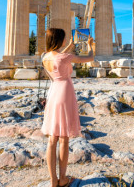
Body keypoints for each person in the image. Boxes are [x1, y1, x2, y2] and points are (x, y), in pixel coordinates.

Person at [41, 28, 94, 187]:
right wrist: (91, 45)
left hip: (53, 93)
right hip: (65, 93)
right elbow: (89, 58)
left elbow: (58, 57)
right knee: (64, 138)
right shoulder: (66, 57)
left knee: (52, 139)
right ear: (59, 40)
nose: (65, 41)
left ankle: (53, 180)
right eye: (64, 39)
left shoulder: (45, 57)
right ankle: (63, 178)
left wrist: (70, 45)